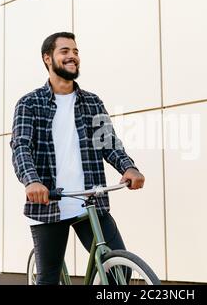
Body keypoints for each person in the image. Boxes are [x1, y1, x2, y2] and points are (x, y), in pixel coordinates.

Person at [10, 32, 145, 285]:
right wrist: (32, 182)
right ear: (47, 58)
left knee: (119, 272)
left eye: (75, 51)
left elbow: (109, 144)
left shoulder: (93, 102)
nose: (72, 56)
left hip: (89, 201)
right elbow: (21, 147)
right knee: (48, 278)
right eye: (65, 51)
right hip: (49, 202)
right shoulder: (29, 103)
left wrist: (129, 167)